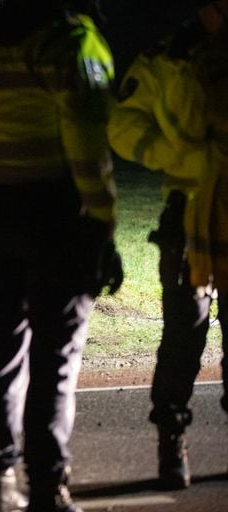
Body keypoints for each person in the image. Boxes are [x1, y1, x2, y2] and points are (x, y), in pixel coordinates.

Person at [0, 1, 120, 511]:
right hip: (59, 213)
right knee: (57, 354)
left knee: (4, 346)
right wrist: (102, 219)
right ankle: (47, 485)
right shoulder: (69, 42)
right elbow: (88, 143)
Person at [107, 0, 228, 491]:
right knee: (185, 333)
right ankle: (171, 441)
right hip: (189, 209)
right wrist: (179, 157)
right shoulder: (167, 57)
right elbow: (123, 125)